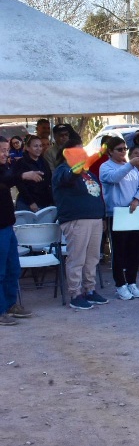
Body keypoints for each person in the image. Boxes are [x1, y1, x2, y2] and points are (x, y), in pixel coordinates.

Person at [52, 138, 108, 309]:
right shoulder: (62, 170)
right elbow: (69, 178)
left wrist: (101, 216)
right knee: (77, 258)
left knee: (92, 258)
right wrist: (78, 167)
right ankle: (75, 293)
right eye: (78, 151)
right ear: (67, 153)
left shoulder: (88, 171)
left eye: (83, 150)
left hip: (95, 219)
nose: (82, 153)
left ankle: (90, 290)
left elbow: (96, 194)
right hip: (76, 220)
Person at [100, 136, 139, 300]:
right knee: (119, 251)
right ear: (110, 151)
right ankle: (120, 284)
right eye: (119, 149)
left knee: (133, 250)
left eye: (125, 149)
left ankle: (132, 282)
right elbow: (114, 178)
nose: (123, 152)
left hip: (133, 212)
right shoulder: (106, 167)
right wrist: (130, 164)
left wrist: (136, 199)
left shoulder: (131, 168)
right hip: (117, 213)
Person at [0, 137, 36, 324]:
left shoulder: (6, 167)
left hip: (7, 226)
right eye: (2, 150)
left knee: (13, 268)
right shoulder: (5, 172)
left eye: (6, 150)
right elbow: (6, 179)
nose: (5, 154)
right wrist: (23, 175)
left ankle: (10, 304)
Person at [13, 134, 53, 212]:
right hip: (26, 203)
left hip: (44, 202)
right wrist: (30, 202)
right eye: (35, 146)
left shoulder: (44, 162)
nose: (39, 148)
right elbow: (20, 185)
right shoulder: (21, 163)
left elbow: (48, 180)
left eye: (40, 146)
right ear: (27, 147)